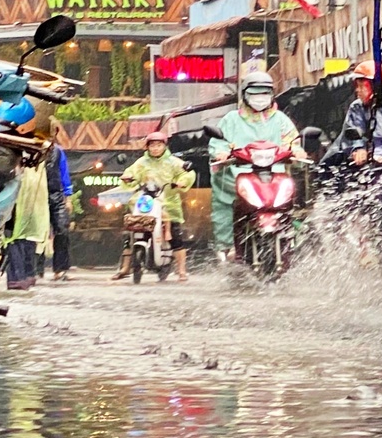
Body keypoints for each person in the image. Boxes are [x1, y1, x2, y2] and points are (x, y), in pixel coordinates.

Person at [209, 69, 300, 257]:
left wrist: (297, 149)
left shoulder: (280, 119)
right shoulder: (231, 119)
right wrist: (221, 152)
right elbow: (219, 142)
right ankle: (226, 246)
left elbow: (292, 140)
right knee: (224, 200)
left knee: (293, 199)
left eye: (264, 93)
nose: (260, 98)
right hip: (238, 172)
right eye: (254, 93)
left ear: (272, 95)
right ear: (244, 94)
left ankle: (294, 240)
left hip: (274, 173)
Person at [112, 128, 195, 282]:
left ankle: (182, 270)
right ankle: (125, 267)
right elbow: (131, 172)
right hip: (146, 201)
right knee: (131, 232)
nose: (155, 148)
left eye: (159, 145)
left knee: (176, 237)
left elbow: (187, 173)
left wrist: (181, 182)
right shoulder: (141, 163)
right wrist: (127, 177)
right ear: (147, 147)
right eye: (152, 145)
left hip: (168, 202)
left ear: (165, 146)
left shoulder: (174, 162)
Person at [332, 61, 382, 169]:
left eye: (362, 86)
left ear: (375, 86)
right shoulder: (357, 108)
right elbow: (352, 131)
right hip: (370, 167)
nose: (357, 90)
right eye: (357, 86)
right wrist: (358, 149)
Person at [5, 153, 50, 290]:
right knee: (26, 237)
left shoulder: (20, 152)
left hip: (19, 201)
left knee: (13, 238)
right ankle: (27, 275)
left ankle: (17, 278)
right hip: (34, 204)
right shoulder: (41, 155)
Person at [45, 142, 74, 281]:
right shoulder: (30, 147)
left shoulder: (57, 151)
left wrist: (68, 197)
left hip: (56, 194)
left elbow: (64, 173)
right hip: (35, 194)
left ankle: (60, 268)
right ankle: (33, 270)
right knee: (32, 233)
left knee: (62, 229)